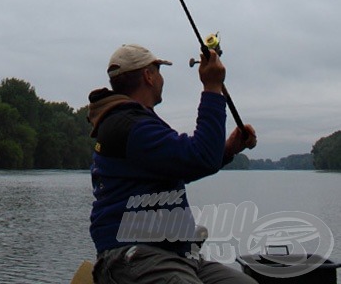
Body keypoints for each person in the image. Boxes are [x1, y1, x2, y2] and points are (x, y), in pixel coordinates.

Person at [87, 43, 257, 284]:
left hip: (174, 254)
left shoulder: (135, 122)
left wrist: (228, 150)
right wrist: (212, 87)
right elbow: (200, 157)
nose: (161, 79)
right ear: (149, 75)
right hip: (131, 255)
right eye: (159, 71)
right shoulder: (131, 126)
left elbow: (183, 165)